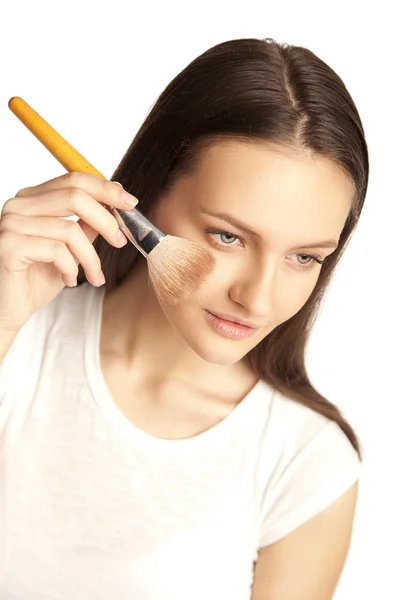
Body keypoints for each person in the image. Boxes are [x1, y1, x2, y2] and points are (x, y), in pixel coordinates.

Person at [0, 37, 368, 600]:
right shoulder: (19, 336)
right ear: (143, 199)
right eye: (228, 236)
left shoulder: (304, 464)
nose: (258, 299)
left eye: (304, 257)